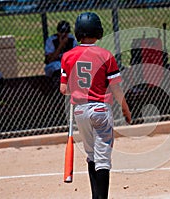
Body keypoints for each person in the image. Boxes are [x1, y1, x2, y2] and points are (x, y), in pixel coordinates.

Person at [60, 12, 131, 199]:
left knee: (91, 157)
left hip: (80, 111)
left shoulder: (67, 56)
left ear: (77, 32)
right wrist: (125, 108)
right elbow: (115, 88)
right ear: (98, 31)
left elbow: (63, 89)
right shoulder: (106, 55)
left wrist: (75, 89)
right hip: (100, 109)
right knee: (103, 161)